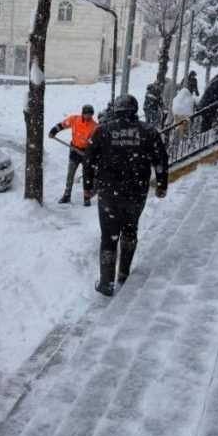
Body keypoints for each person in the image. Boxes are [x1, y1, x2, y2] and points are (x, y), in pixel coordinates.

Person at [83, 94, 169, 297]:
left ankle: (106, 283)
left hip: (109, 193)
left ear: (116, 110)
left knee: (109, 237)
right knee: (130, 230)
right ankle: (123, 272)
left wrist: (88, 186)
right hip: (136, 191)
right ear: (135, 110)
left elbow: (89, 160)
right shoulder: (148, 131)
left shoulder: (103, 131)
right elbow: (161, 159)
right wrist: (161, 184)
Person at [48, 104, 98, 205]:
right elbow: (62, 124)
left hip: (86, 154)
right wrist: (53, 131)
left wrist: (92, 153)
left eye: (89, 114)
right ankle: (67, 195)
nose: (87, 116)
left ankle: (87, 197)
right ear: (82, 113)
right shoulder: (75, 119)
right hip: (74, 151)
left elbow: (96, 142)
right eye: (85, 113)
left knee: (88, 176)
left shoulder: (94, 126)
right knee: (70, 174)